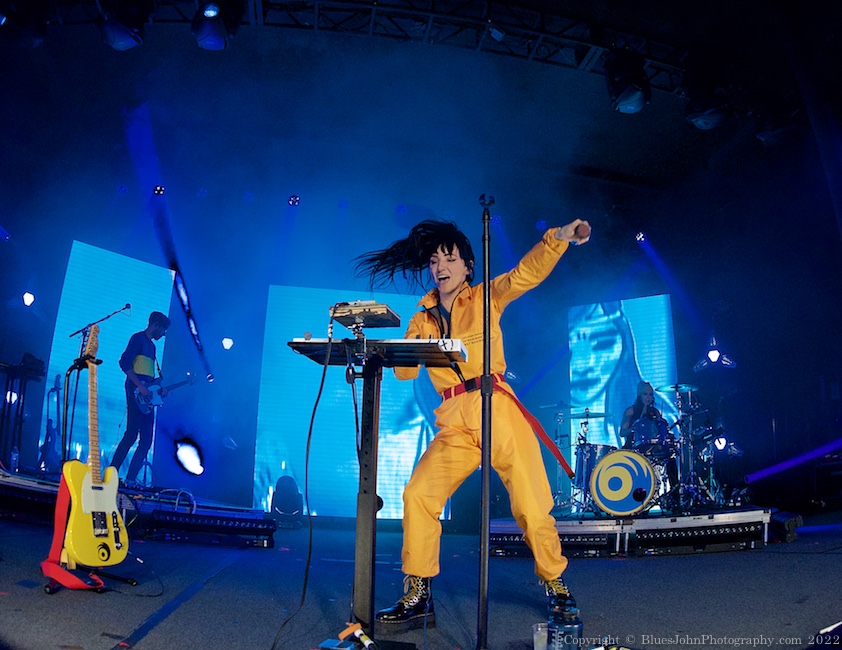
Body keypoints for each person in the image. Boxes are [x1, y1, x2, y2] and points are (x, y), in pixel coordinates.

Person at [355, 217, 590, 633]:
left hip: (496, 408)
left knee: (531, 504)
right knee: (418, 494)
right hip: (454, 423)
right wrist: (396, 349)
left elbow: (525, 275)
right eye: (434, 261)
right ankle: (419, 593)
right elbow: (405, 374)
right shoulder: (422, 318)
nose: (440, 267)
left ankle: (555, 583)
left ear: (467, 266)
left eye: (449, 259)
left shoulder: (485, 297)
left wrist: (557, 239)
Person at [110, 311, 170, 487]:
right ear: (156, 325)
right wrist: (140, 386)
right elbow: (124, 363)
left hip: (147, 398)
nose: (163, 334)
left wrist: (159, 390)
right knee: (131, 435)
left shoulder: (152, 347)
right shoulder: (138, 339)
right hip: (135, 393)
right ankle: (111, 475)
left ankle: (130, 479)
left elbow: (149, 378)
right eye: (163, 330)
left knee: (146, 440)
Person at [620, 381, 678, 493]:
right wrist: (634, 428)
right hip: (634, 448)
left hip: (653, 448)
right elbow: (622, 432)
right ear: (639, 395)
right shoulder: (631, 411)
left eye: (650, 394)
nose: (648, 397)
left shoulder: (655, 412)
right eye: (645, 394)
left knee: (671, 459)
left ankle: (675, 494)